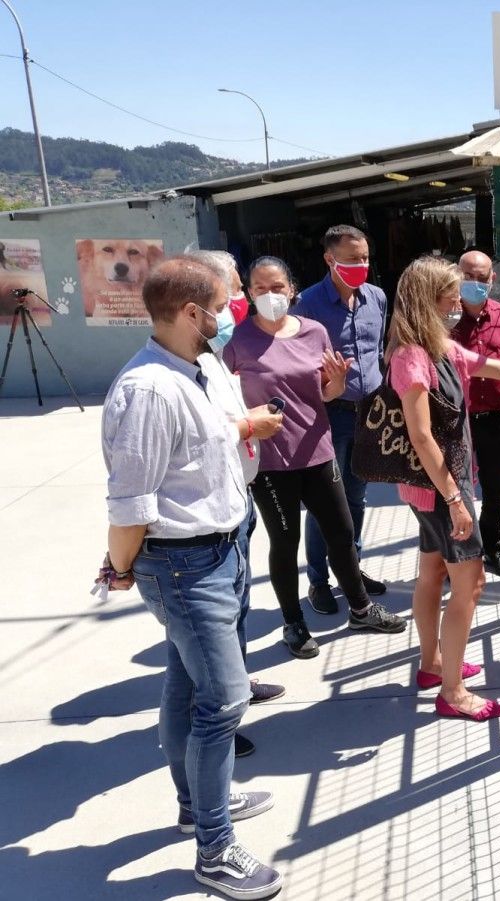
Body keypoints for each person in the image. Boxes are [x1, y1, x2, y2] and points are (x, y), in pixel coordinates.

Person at [97, 256, 284, 900]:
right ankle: (214, 847)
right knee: (225, 701)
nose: (234, 312)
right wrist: (119, 568)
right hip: (183, 563)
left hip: (220, 547)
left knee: (187, 683)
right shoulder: (148, 389)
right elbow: (131, 501)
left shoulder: (196, 368)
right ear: (189, 314)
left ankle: (195, 805)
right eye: (224, 304)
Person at [388, 256, 500, 721]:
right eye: (449, 291)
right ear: (429, 297)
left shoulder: (438, 346)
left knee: (432, 573)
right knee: (471, 583)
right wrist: (455, 501)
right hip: (443, 489)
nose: (455, 298)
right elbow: (422, 436)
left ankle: (431, 664)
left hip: (431, 489)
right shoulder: (413, 357)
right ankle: (452, 691)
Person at [225, 255, 407, 658]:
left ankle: (360, 608)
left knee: (341, 533)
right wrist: (243, 425)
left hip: (318, 450)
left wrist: (337, 383)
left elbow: (326, 392)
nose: (270, 295)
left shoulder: (314, 331)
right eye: (259, 289)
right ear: (250, 294)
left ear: (292, 289)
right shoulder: (237, 341)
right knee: (284, 542)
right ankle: (293, 623)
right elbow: (218, 395)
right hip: (272, 462)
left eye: (277, 287)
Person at [189, 251, 285, 757]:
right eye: (228, 300)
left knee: (239, 607)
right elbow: (195, 437)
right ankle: (218, 724)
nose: (239, 308)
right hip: (204, 523)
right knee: (211, 635)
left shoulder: (207, 357)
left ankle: (239, 685)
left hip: (235, 498)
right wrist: (250, 426)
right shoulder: (173, 372)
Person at [293, 225, 388, 615]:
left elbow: (378, 350)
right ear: (330, 260)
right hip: (328, 416)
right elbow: (293, 364)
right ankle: (318, 582)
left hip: (369, 413)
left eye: (365, 257)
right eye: (352, 259)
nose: (361, 265)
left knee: (357, 498)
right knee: (323, 504)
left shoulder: (377, 298)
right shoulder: (308, 305)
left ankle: (351, 568)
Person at [450, 250, 500, 578]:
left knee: (496, 490)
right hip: (455, 419)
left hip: (495, 417)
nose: (475, 284)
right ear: (456, 275)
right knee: (455, 490)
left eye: (482, 278)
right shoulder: (444, 317)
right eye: (469, 277)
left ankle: (492, 548)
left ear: (492, 279)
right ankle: (458, 556)